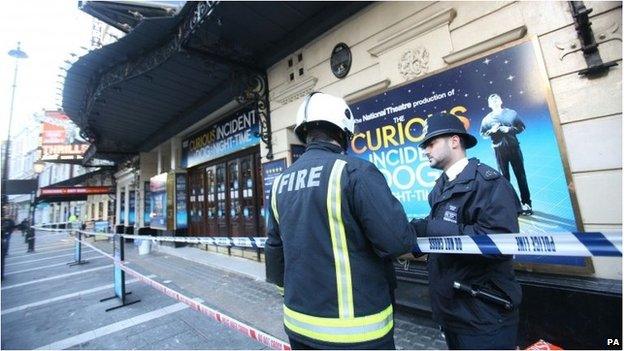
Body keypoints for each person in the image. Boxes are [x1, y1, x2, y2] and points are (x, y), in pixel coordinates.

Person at [265, 92, 419, 349]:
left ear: (305, 134)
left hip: (298, 326)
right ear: (343, 131)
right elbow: (396, 241)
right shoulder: (355, 171)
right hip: (355, 332)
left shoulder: (280, 182)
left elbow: (274, 249)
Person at [412, 112, 523, 350]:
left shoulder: (490, 183)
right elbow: (444, 236)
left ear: (454, 141)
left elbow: (498, 244)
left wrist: (430, 228)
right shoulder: (440, 186)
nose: (425, 151)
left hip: (484, 314)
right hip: (453, 312)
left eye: (430, 143)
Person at [480, 94, 532, 215]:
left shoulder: (511, 113)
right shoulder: (486, 119)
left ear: (501, 100)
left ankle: (527, 204)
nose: (494, 101)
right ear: (489, 104)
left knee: (521, 177)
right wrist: (490, 131)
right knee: (504, 179)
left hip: (514, 148)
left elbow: (522, 127)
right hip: (499, 151)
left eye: (496, 99)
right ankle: (512, 206)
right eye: (491, 100)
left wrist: (509, 129)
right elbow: (483, 134)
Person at [1, 209, 16, 280]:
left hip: (7, 234)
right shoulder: (3, 221)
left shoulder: (10, 221)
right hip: (3, 235)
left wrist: (10, 232)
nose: (6, 216)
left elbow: (13, 226)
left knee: (6, 243)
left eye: (7, 215)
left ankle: (6, 251)